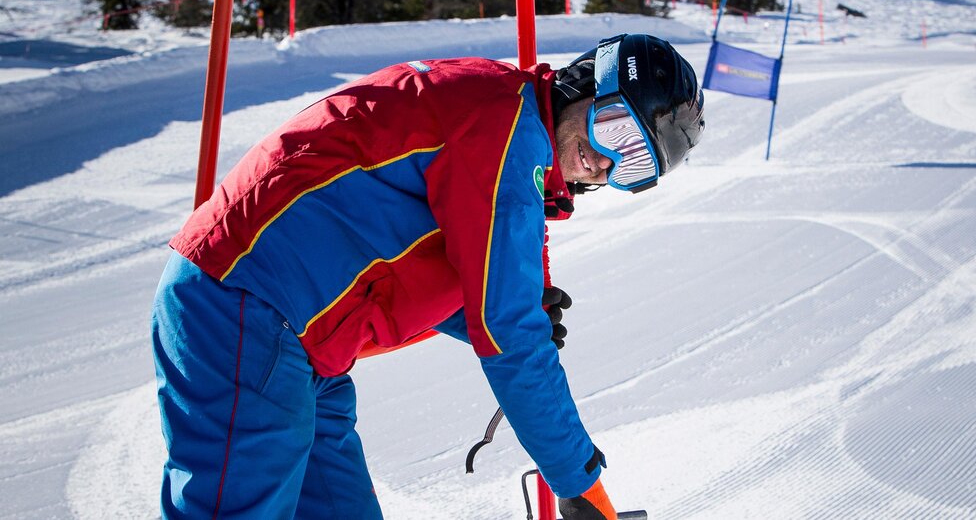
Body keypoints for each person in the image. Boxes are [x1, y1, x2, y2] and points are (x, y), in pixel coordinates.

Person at [152, 33, 706, 519]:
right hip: (244, 305)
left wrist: (492, 312)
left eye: (632, 163)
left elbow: (406, 264)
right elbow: (510, 336)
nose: (605, 164)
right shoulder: (503, 131)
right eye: (616, 130)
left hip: (303, 345)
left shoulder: (512, 136)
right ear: (586, 84)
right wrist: (581, 487)